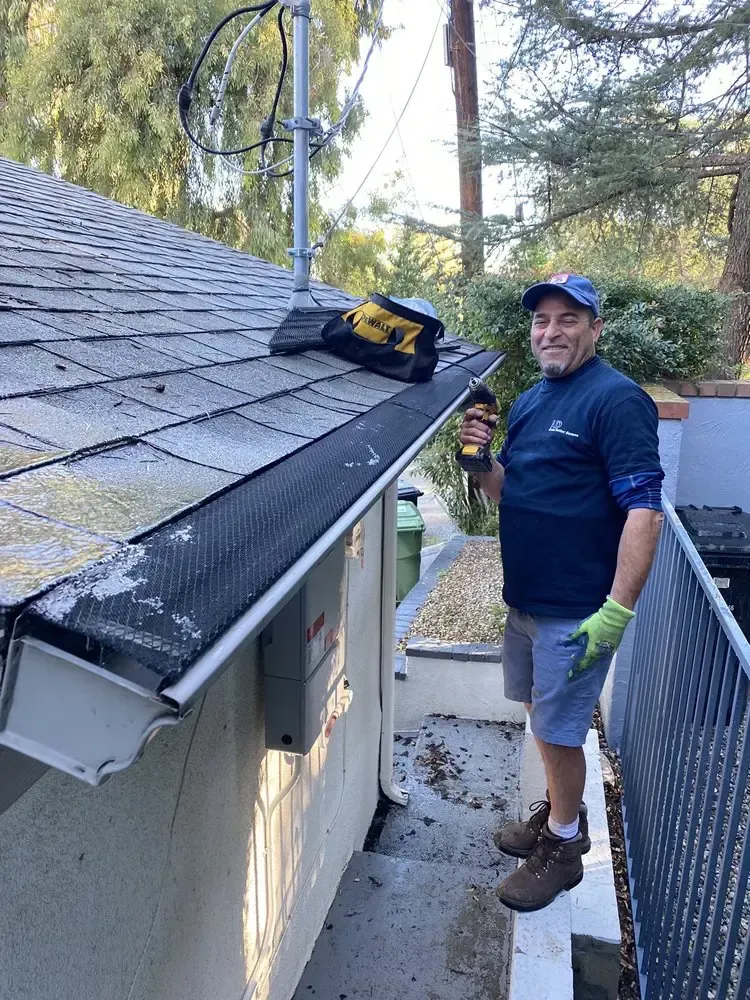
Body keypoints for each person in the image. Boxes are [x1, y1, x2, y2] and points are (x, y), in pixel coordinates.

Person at [458, 273, 663, 912]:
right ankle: (558, 812)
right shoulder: (530, 402)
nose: (551, 331)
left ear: (595, 328)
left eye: (568, 319)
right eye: (542, 320)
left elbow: (645, 511)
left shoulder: (617, 400)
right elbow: (508, 490)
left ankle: (565, 848)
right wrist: (480, 461)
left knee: (560, 730)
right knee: (542, 720)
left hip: (575, 611)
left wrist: (617, 611)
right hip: (525, 600)